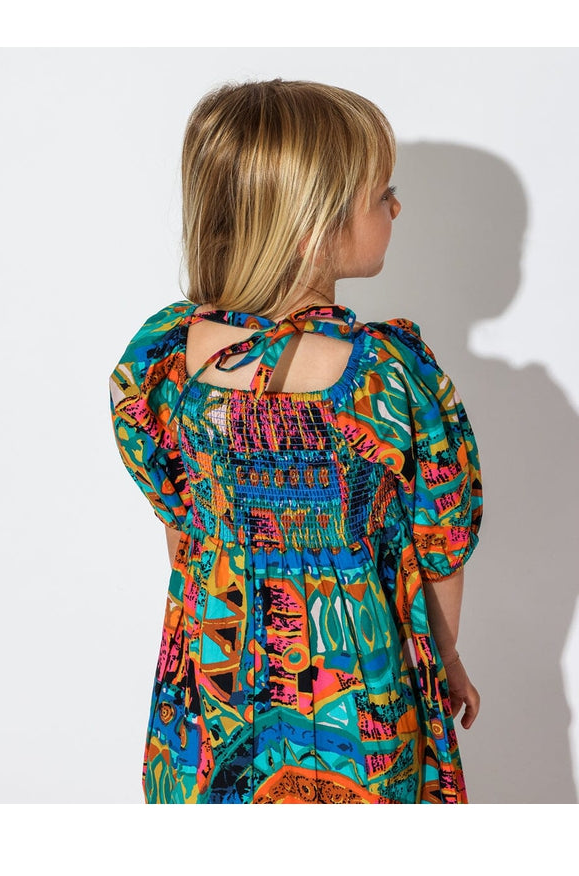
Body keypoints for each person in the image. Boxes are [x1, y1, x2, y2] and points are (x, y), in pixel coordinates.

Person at [108, 78, 483, 804]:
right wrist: (445, 658)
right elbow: (441, 545)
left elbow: (183, 530)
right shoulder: (389, 377)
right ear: (313, 228)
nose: (396, 207)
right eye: (383, 194)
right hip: (364, 697)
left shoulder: (166, 359)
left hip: (215, 689)